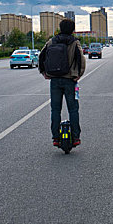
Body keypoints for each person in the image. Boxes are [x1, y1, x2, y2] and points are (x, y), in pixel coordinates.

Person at [39, 19, 86, 147]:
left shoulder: (51, 41)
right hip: (70, 80)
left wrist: (43, 72)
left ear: (60, 28)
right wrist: (79, 74)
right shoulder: (74, 42)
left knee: (55, 110)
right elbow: (81, 59)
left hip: (54, 80)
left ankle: (55, 137)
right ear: (72, 29)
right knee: (73, 109)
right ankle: (75, 137)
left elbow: (41, 56)